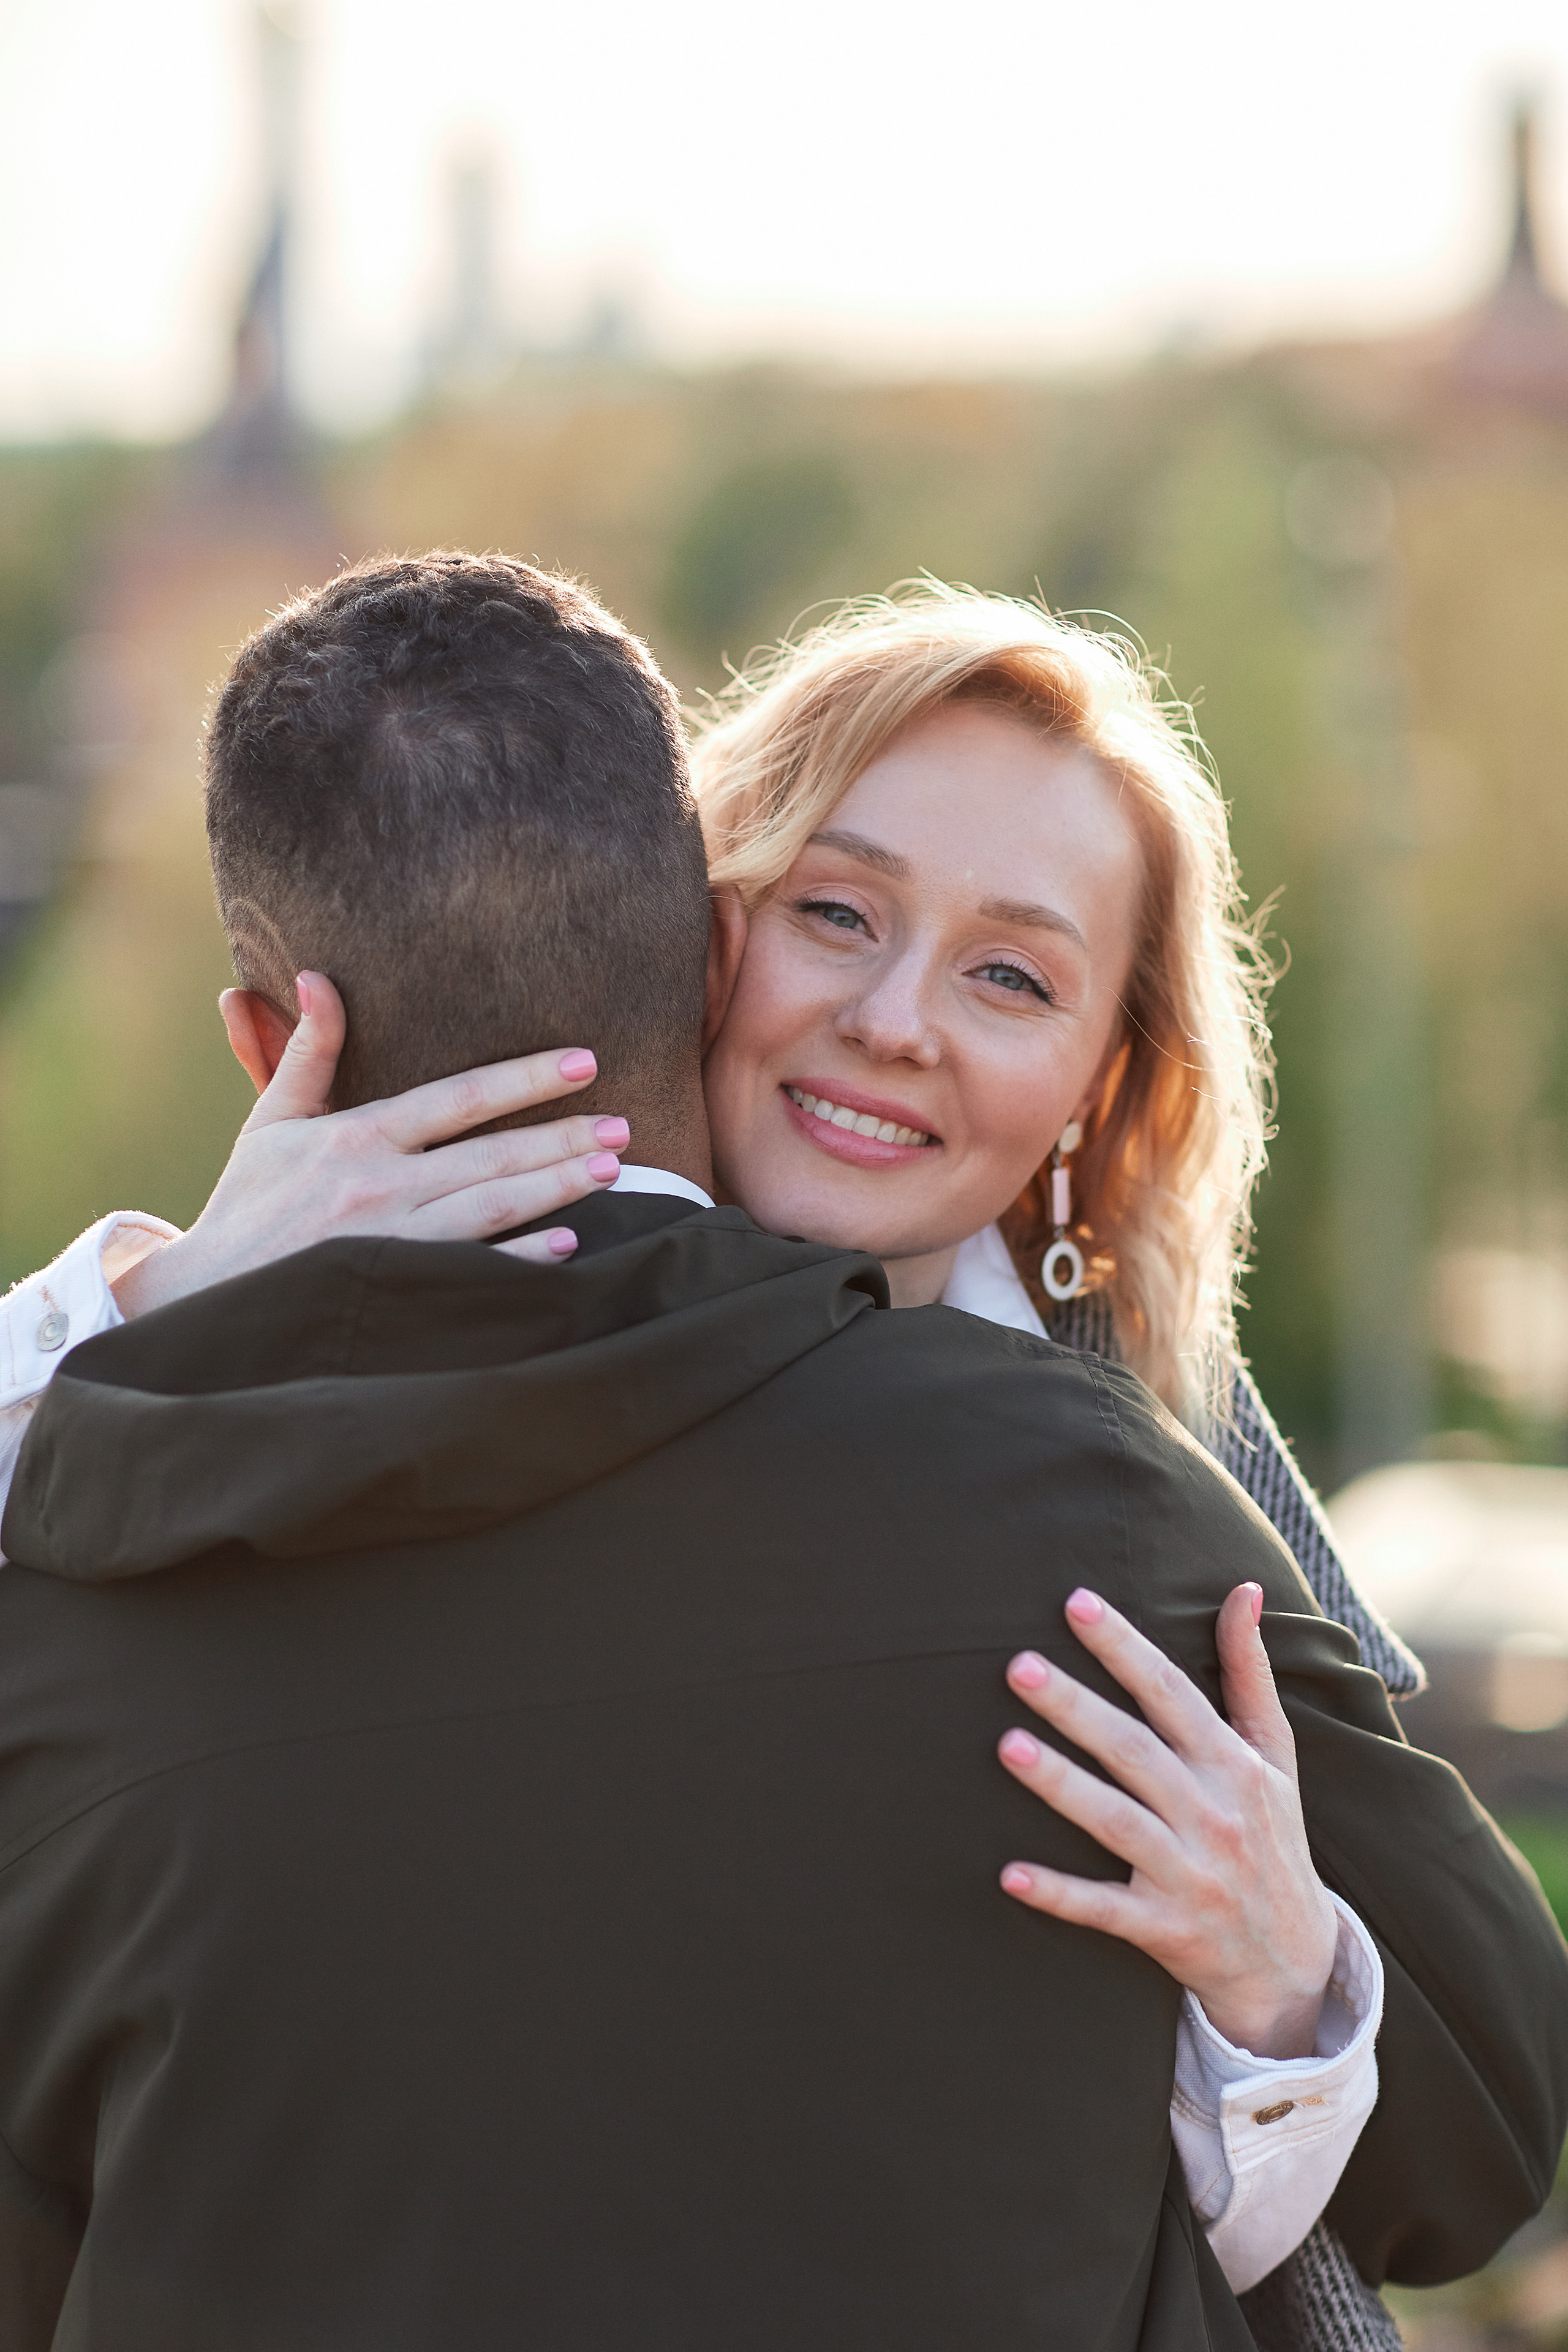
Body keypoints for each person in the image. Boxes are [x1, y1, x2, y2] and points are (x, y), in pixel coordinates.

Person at [0, 556, 1563, 2350]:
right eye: (840, 913)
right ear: (702, 928)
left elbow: (1484, 2125)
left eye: (1010, 976)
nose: (896, 1020)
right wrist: (151, 1293)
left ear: (1099, 1093)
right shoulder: (202, 1431)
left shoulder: (1137, 1488)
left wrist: (1291, 1982)